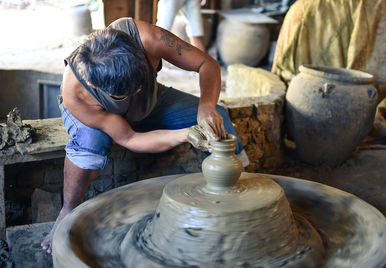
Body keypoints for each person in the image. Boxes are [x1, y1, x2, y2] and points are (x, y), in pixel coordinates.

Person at [41, 17, 248, 254]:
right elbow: (129, 138)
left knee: (219, 116)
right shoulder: (77, 92)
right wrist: (184, 135)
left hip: (151, 101)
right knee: (91, 146)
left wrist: (207, 106)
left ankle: (242, 197)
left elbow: (206, 64)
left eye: (140, 83)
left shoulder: (149, 38)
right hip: (103, 115)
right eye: (129, 91)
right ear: (94, 84)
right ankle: (66, 211)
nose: (137, 89)